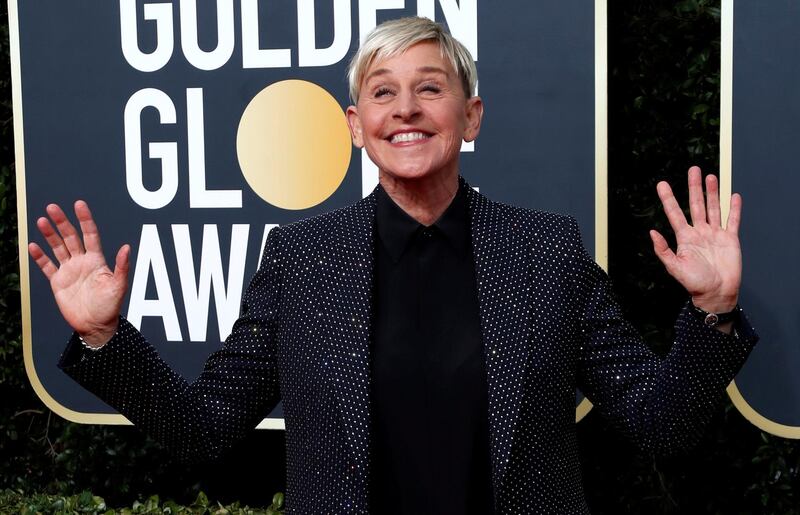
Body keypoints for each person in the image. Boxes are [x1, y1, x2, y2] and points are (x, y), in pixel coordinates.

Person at [28, 17, 757, 515]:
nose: (406, 108)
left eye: (430, 87)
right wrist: (103, 337)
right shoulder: (302, 260)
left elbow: (662, 425)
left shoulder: (546, 251)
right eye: (382, 92)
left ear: (471, 116)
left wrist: (713, 310)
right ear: (356, 127)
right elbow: (205, 426)